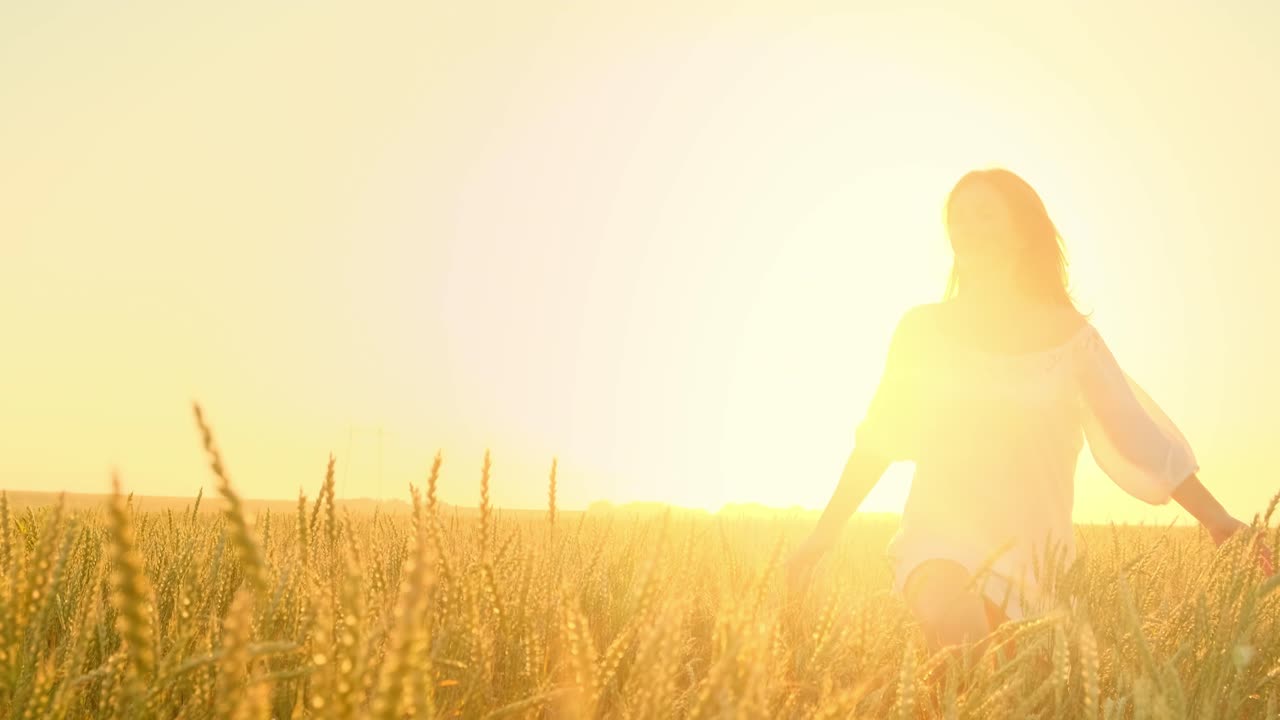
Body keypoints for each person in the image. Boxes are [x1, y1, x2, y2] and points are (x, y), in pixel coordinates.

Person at [783, 167, 1274, 657]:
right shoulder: (922, 330)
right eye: (957, 219)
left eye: (983, 215)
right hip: (939, 539)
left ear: (1022, 232)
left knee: (977, 688)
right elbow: (879, 439)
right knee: (961, 632)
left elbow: (1137, 436)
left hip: (1033, 556)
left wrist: (1215, 519)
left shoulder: (1070, 337)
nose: (966, 229)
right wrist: (822, 536)